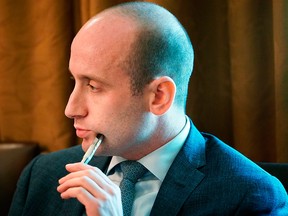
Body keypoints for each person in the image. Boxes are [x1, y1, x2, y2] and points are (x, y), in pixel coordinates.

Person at [9, 2, 288, 216]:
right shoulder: (42, 175)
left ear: (159, 96)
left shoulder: (250, 195)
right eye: (75, 81)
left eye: (93, 86)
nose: (71, 109)